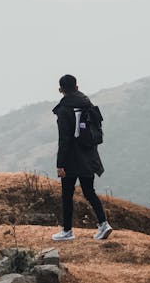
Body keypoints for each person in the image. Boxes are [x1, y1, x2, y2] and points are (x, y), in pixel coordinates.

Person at [51, 74, 113, 241]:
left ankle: (67, 231)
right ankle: (103, 224)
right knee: (89, 192)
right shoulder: (87, 104)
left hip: (71, 158)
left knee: (67, 194)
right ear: (77, 87)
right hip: (88, 156)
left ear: (60, 90)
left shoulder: (64, 109)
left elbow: (64, 138)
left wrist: (60, 164)